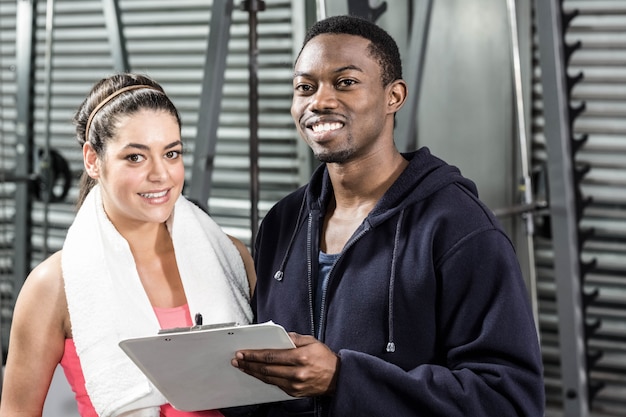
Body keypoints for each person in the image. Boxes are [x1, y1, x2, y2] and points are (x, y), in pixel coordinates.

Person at [230, 15, 545, 417]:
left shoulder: (458, 228)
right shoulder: (282, 222)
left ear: (393, 96)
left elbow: (509, 400)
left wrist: (343, 379)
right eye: (305, 87)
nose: (319, 101)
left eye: (345, 82)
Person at [0, 73, 256, 417]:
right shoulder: (53, 285)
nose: (160, 174)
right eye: (136, 157)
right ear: (93, 160)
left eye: (172, 153)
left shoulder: (231, 258)